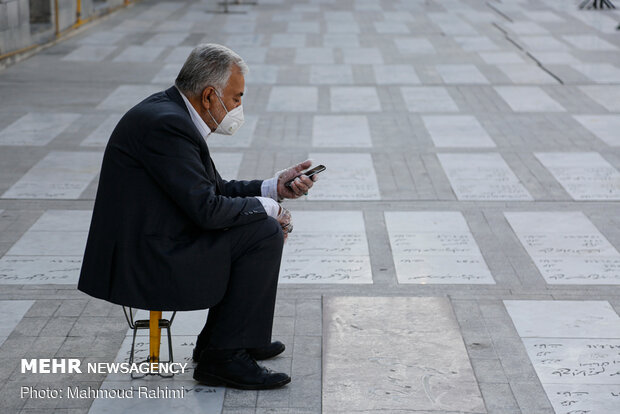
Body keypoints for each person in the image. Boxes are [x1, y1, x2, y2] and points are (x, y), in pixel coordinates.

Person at [77, 43, 317, 390]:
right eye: (236, 98)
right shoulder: (167, 127)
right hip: (147, 260)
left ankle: (229, 338)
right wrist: (271, 210)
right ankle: (224, 357)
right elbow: (207, 210)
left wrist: (273, 189)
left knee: (257, 224)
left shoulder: (170, 114)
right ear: (209, 96)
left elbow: (212, 190)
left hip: (158, 240)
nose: (238, 108)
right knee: (262, 231)